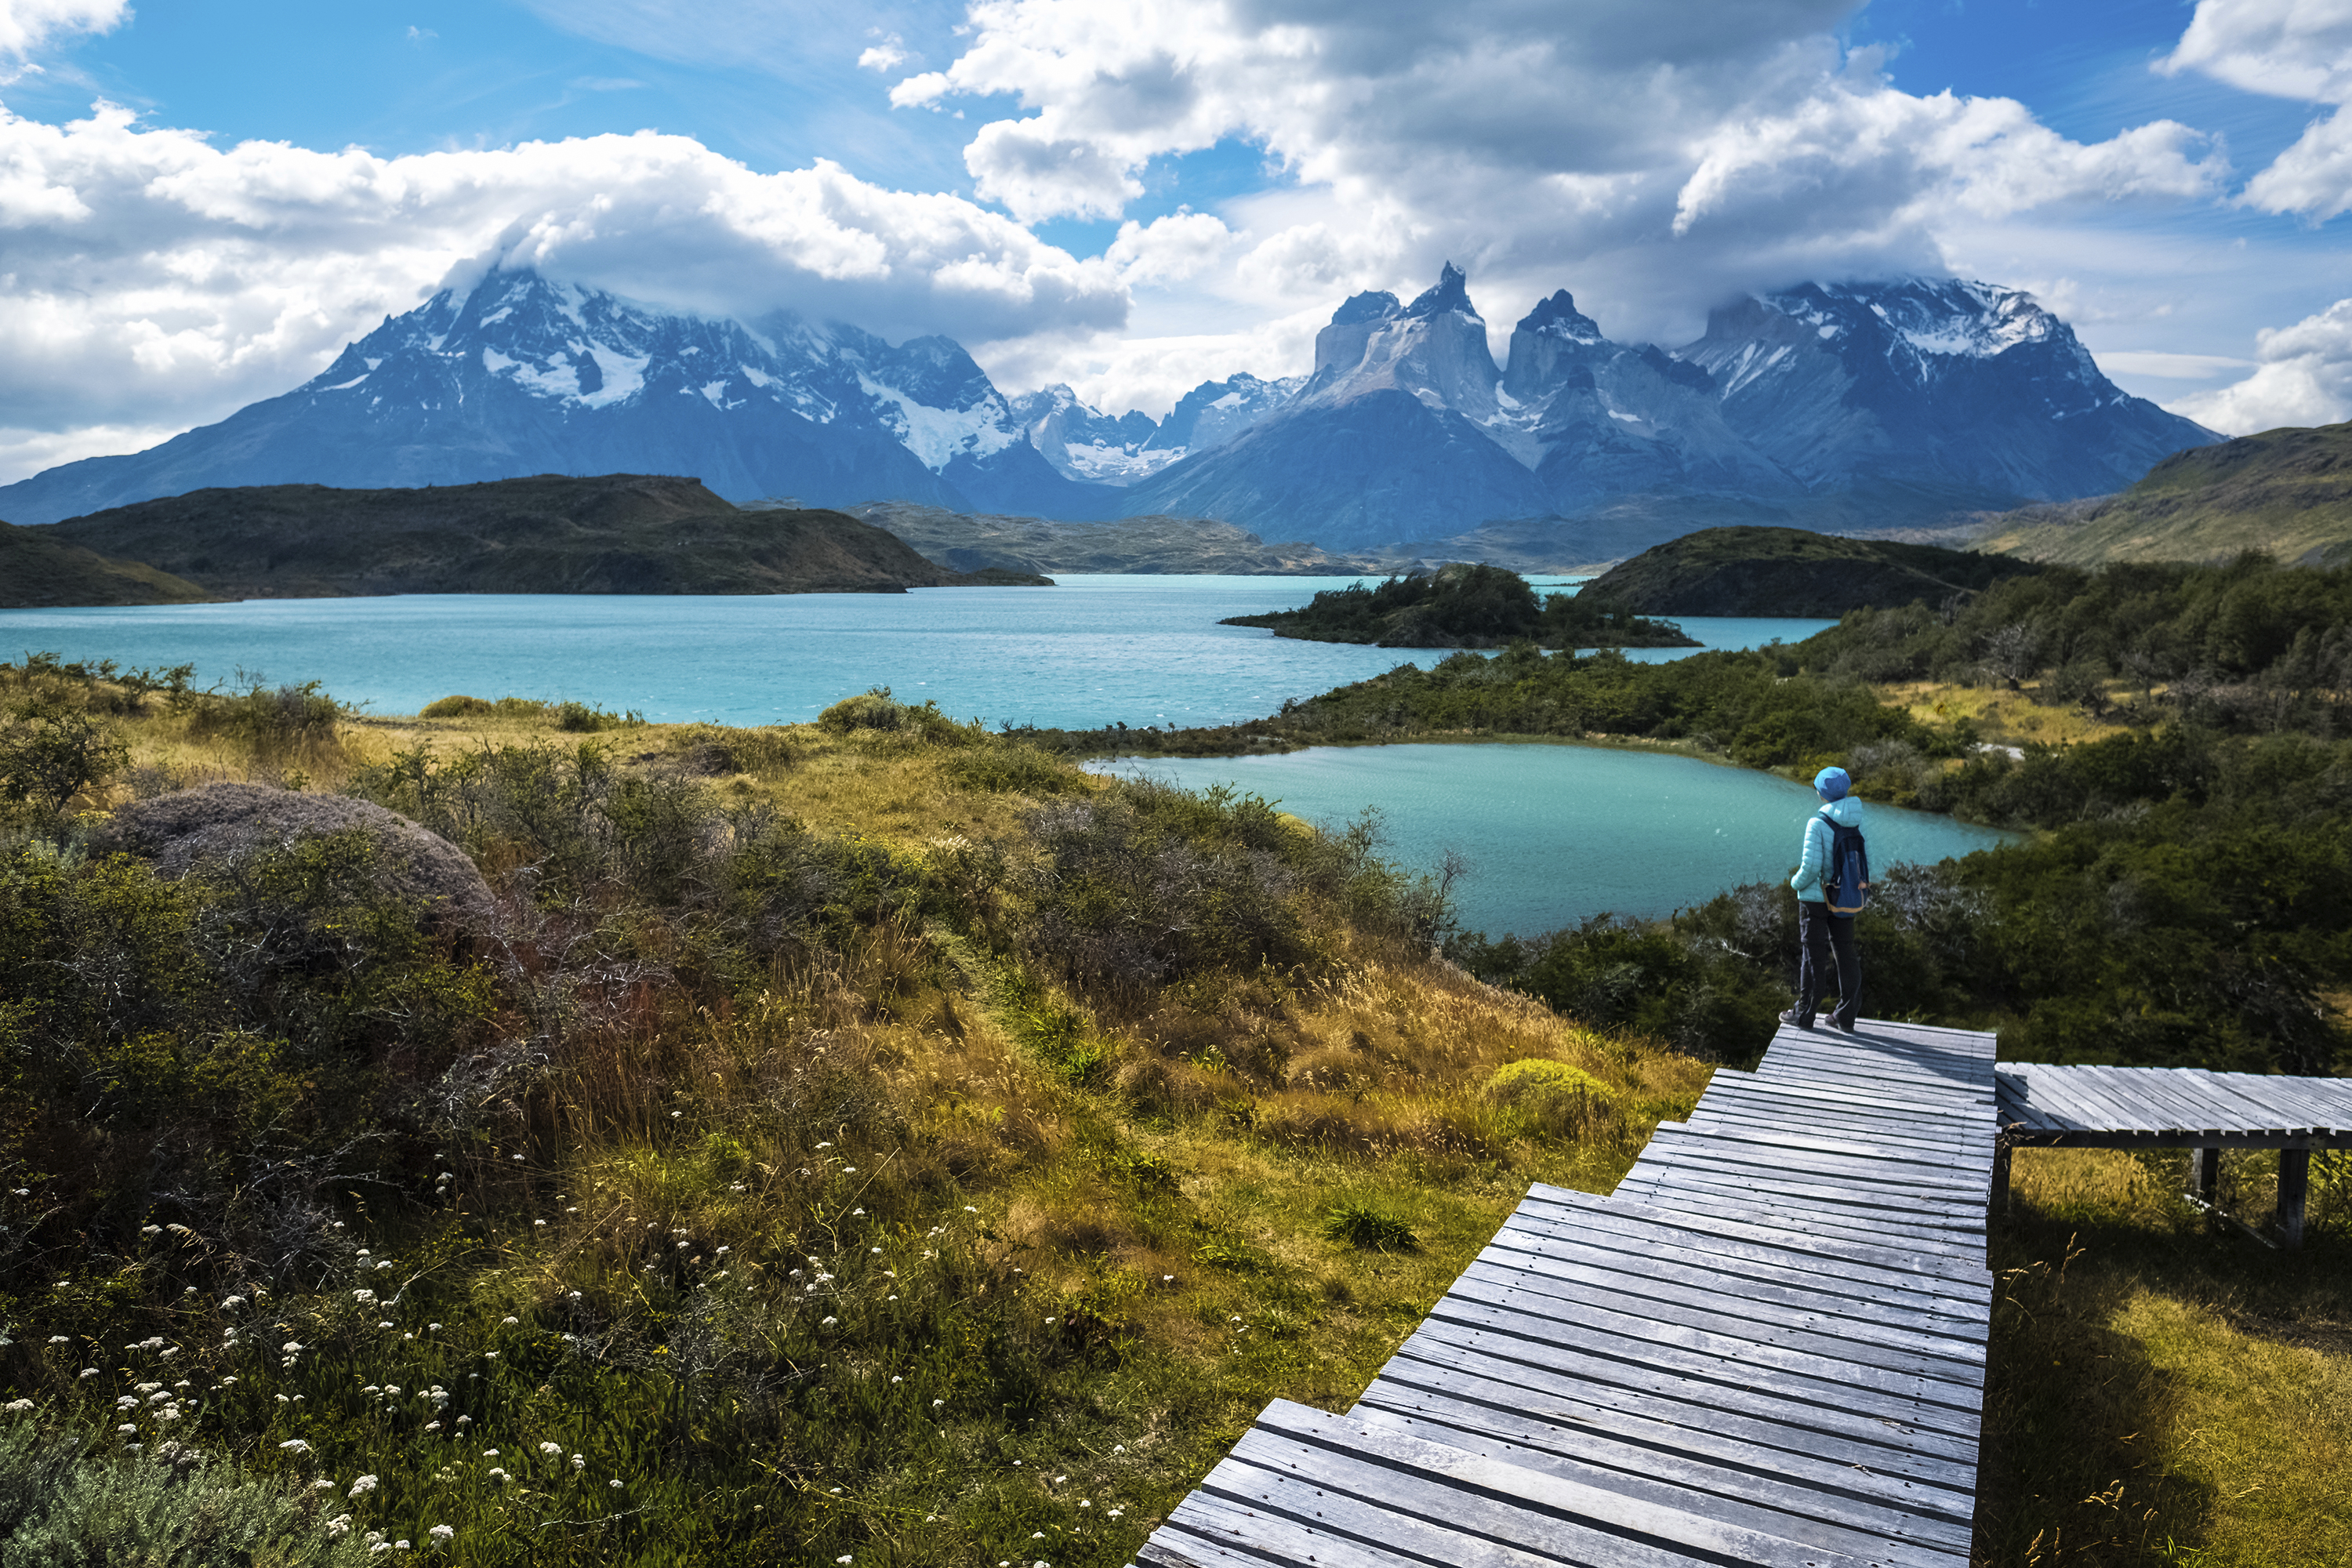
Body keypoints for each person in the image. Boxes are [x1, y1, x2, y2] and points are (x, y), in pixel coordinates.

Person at [1781, 765, 1863, 1033]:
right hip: (1845, 897)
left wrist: (1794, 883)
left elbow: (1811, 868)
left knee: (1813, 956)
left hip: (1816, 899)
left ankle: (1804, 1015)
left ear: (1821, 793)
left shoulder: (1817, 823)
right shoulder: (1854, 820)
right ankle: (1845, 1016)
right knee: (1846, 954)